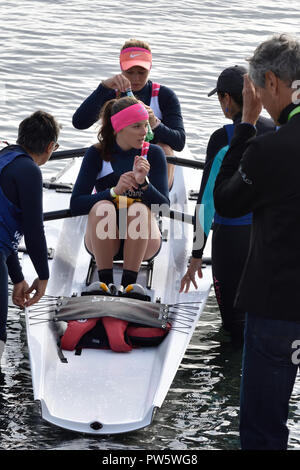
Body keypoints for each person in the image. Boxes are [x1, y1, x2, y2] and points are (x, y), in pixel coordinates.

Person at [213, 34, 300, 450]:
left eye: (259, 92)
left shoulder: (270, 147)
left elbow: (226, 201)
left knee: (264, 431)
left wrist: (246, 125)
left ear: (271, 82)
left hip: (278, 304)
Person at [179, 65, 275, 348]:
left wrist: (196, 254)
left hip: (232, 241)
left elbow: (207, 201)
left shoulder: (223, 138)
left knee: (235, 329)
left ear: (226, 99)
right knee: (262, 320)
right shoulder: (276, 129)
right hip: (268, 238)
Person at [70, 95, 169, 296]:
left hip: (145, 241)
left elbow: (164, 207)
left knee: (139, 209)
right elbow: (76, 204)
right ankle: (105, 284)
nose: (145, 132)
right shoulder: (96, 154)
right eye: (137, 127)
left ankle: (129, 285)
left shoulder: (154, 154)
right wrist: (113, 192)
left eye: (145, 125)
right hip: (104, 239)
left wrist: (144, 184)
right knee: (102, 207)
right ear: (119, 128)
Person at [72, 38, 185, 188]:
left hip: (151, 162)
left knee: (165, 150)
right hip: (117, 157)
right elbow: (79, 123)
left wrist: (155, 123)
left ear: (150, 68)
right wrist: (103, 87)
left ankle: (159, 197)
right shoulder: (111, 93)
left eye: (141, 72)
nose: (136, 78)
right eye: (130, 72)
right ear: (121, 68)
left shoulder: (164, 96)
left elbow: (179, 142)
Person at [0, 110, 61, 364]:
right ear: (49, 146)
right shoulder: (29, 171)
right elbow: (34, 230)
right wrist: (43, 276)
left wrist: (17, 278)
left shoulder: (4, 157)